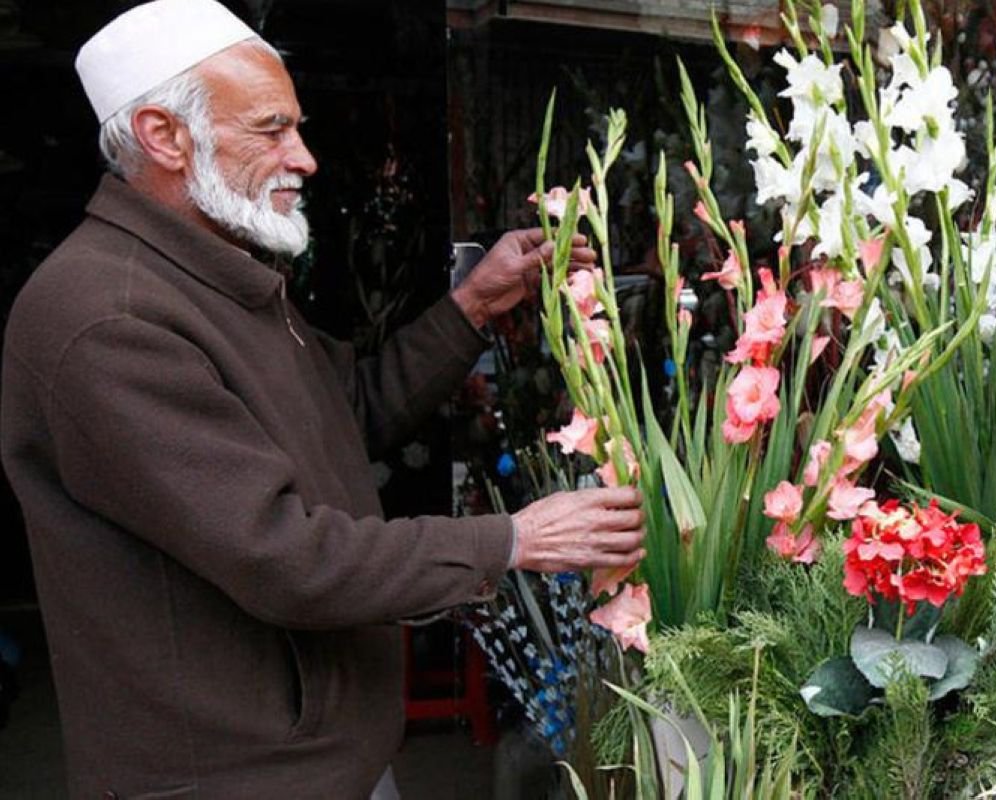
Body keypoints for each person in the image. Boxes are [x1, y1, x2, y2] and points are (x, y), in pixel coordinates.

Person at [0, 1, 646, 797]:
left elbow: (347, 413)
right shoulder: (109, 317)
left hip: (322, 756)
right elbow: (281, 555)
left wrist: (475, 304)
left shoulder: (212, 271)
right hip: (234, 777)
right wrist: (508, 541)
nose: (304, 158)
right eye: (271, 130)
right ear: (164, 136)